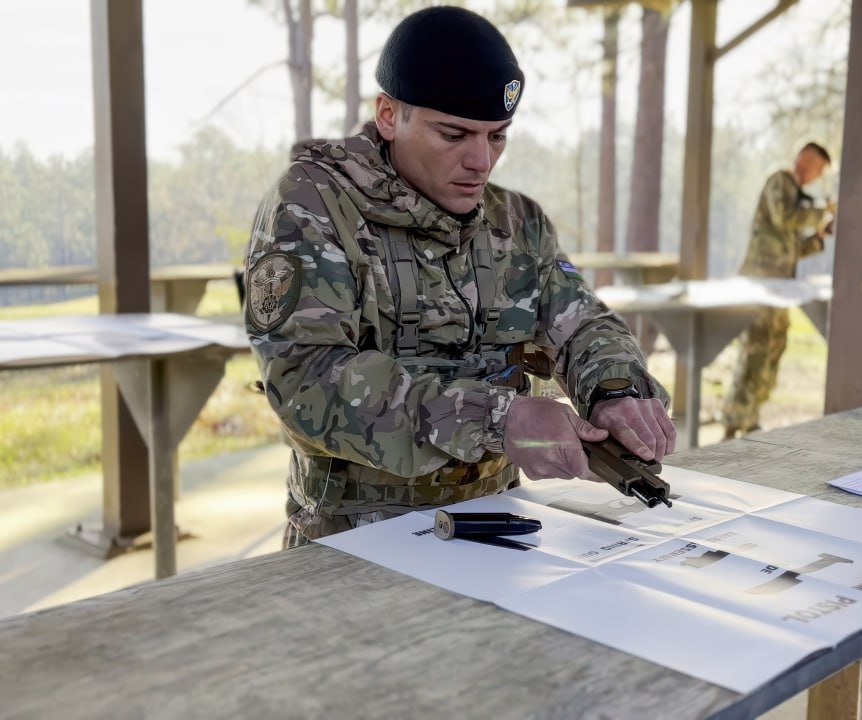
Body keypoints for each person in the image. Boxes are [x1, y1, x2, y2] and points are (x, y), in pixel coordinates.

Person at [242, 7, 674, 548]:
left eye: (497, 136)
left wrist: (615, 390)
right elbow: (307, 380)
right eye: (455, 134)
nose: (480, 160)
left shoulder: (516, 222)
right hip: (351, 542)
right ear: (387, 115)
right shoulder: (314, 206)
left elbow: (582, 322)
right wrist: (499, 419)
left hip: (495, 525)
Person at [720, 143, 835, 439]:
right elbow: (786, 218)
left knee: (773, 349)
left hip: (778, 287)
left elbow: (789, 249)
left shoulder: (796, 196)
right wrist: (824, 210)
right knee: (755, 352)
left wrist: (819, 236)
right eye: (818, 167)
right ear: (803, 159)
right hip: (760, 284)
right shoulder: (779, 182)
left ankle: (751, 417)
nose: (818, 174)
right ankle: (734, 421)